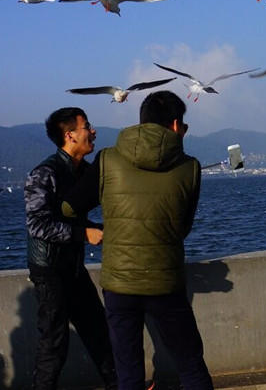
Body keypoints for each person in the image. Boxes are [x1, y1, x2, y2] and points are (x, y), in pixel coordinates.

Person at [62, 91, 213, 390]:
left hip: (119, 285)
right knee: (190, 365)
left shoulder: (107, 159)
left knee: (128, 372)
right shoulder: (190, 168)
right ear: (174, 125)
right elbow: (182, 227)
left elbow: (68, 208)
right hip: (165, 284)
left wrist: (107, 226)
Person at [24, 107, 117, 390]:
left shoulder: (86, 172)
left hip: (73, 268)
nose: (93, 132)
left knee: (100, 334)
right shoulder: (44, 174)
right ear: (70, 135)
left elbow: (74, 216)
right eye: (87, 126)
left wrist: (94, 228)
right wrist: (83, 233)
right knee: (54, 344)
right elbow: (37, 225)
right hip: (50, 272)